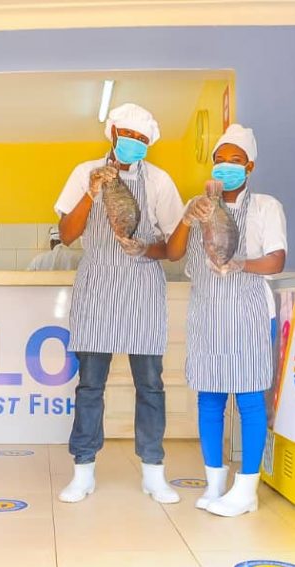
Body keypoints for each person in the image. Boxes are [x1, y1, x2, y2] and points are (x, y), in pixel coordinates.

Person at [55, 103, 184, 504]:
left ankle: (153, 473)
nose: (133, 143)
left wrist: (145, 248)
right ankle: (83, 471)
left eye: (141, 139)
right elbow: (67, 234)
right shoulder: (85, 172)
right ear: (112, 133)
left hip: (142, 290)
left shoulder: (159, 181)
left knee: (151, 386)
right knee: (90, 385)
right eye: (128, 135)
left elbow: (174, 248)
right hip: (98, 290)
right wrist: (91, 193)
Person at [167, 124, 287, 517]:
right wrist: (187, 218)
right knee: (210, 398)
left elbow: (277, 260)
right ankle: (216, 482)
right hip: (208, 314)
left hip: (248, 314)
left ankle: (246, 489)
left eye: (236, 160)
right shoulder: (200, 207)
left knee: (250, 398)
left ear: (249, 166)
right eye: (220, 159)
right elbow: (175, 253)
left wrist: (239, 264)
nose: (226, 166)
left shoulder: (266, 206)